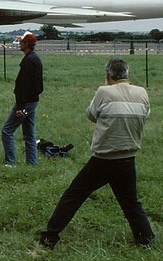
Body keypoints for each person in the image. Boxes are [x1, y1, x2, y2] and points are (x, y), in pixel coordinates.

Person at [39, 58, 155, 248]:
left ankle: (50, 235)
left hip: (103, 159)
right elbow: (145, 115)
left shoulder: (103, 92)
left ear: (108, 75)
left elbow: (91, 115)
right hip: (127, 159)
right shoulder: (141, 92)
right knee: (131, 204)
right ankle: (146, 240)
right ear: (127, 74)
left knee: (73, 196)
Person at [1, 31, 43, 166]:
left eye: (21, 42)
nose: (19, 43)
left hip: (26, 104)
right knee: (29, 135)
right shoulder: (34, 58)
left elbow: (23, 86)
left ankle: (10, 163)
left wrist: (20, 107)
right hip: (33, 102)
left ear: (26, 44)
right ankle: (32, 163)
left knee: (7, 131)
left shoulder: (29, 61)